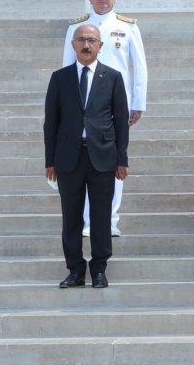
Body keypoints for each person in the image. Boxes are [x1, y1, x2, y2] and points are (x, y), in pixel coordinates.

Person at [44, 24, 130, 289]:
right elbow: (51, 122)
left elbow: (121, 121)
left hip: (102, 157)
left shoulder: (112, 77)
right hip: (69, 158)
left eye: (92, 40)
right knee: (71, 216)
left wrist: (121, 158)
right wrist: (50, 160)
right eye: (81, 39)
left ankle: (100, 268)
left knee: (101, 216)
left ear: (100, 46)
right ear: (73, 44)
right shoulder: (60, 78)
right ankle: (75, 270)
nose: (86, 44)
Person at [62, 0, 147, 237]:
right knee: (84, 162)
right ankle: (88, 221)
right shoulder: (76, 27)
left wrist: (138, 102)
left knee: (113, 160)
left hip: (114, 102)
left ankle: (110, 219)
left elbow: (139, 67)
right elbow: (66, 66)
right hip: (85, 101)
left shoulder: (128, 26)